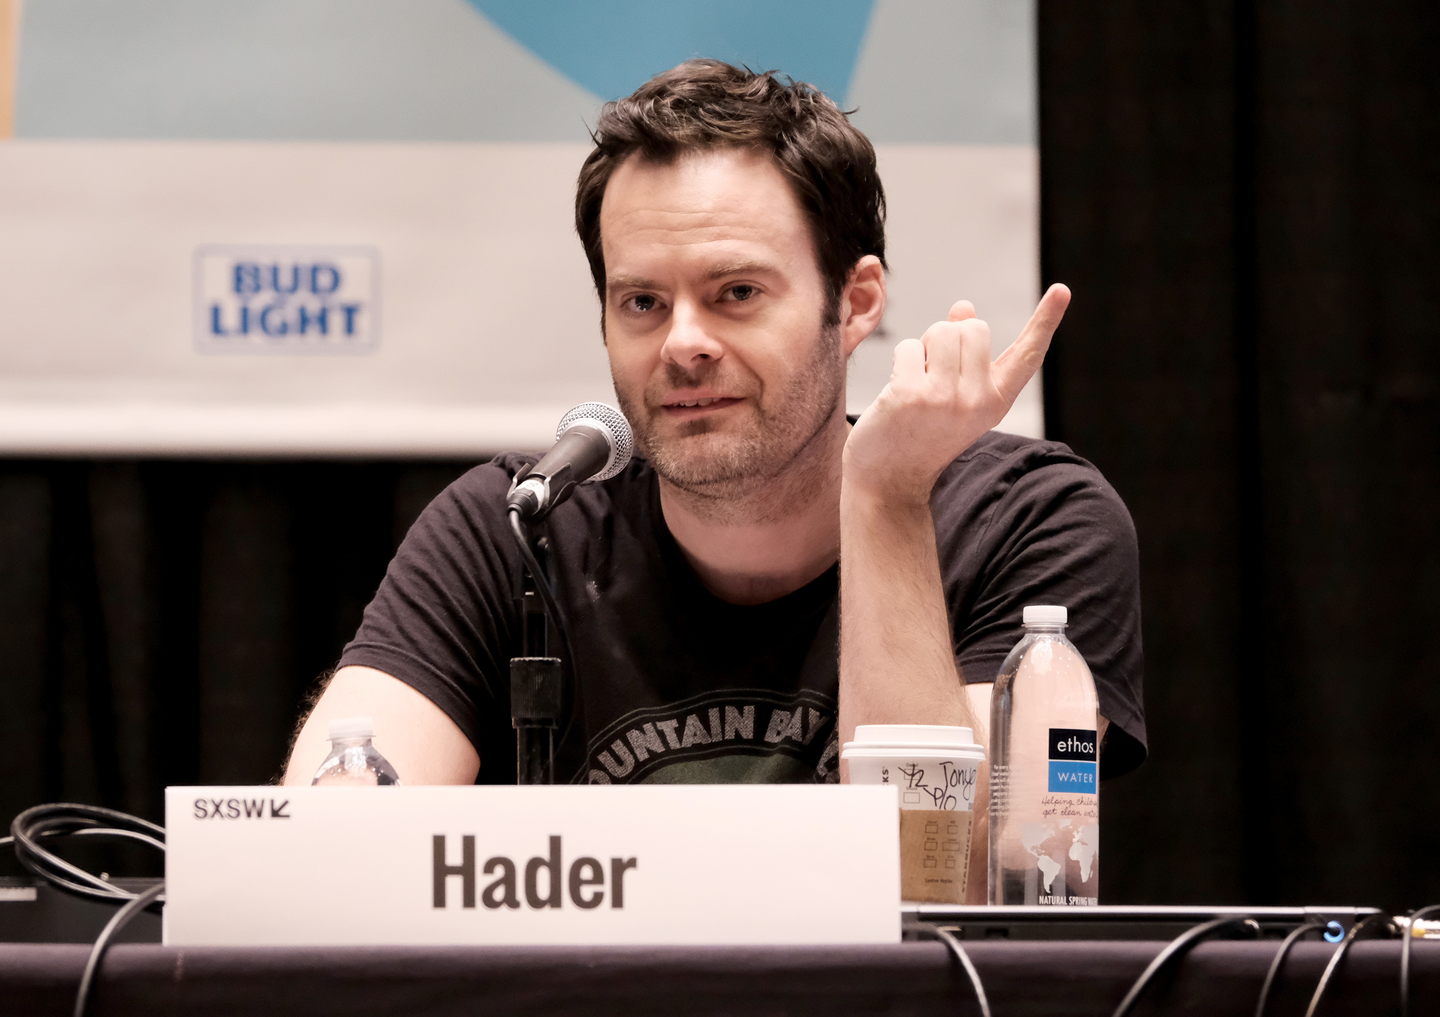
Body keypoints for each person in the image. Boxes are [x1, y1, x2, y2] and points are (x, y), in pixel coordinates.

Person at [282, 60, 1145, 899]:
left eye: (735, 292)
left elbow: (949, 895)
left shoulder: (1030, 521)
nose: (682, 343)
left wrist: (885, 497)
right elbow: (326, 865)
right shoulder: (516, 529)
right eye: (643, 303)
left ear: (855, 303)